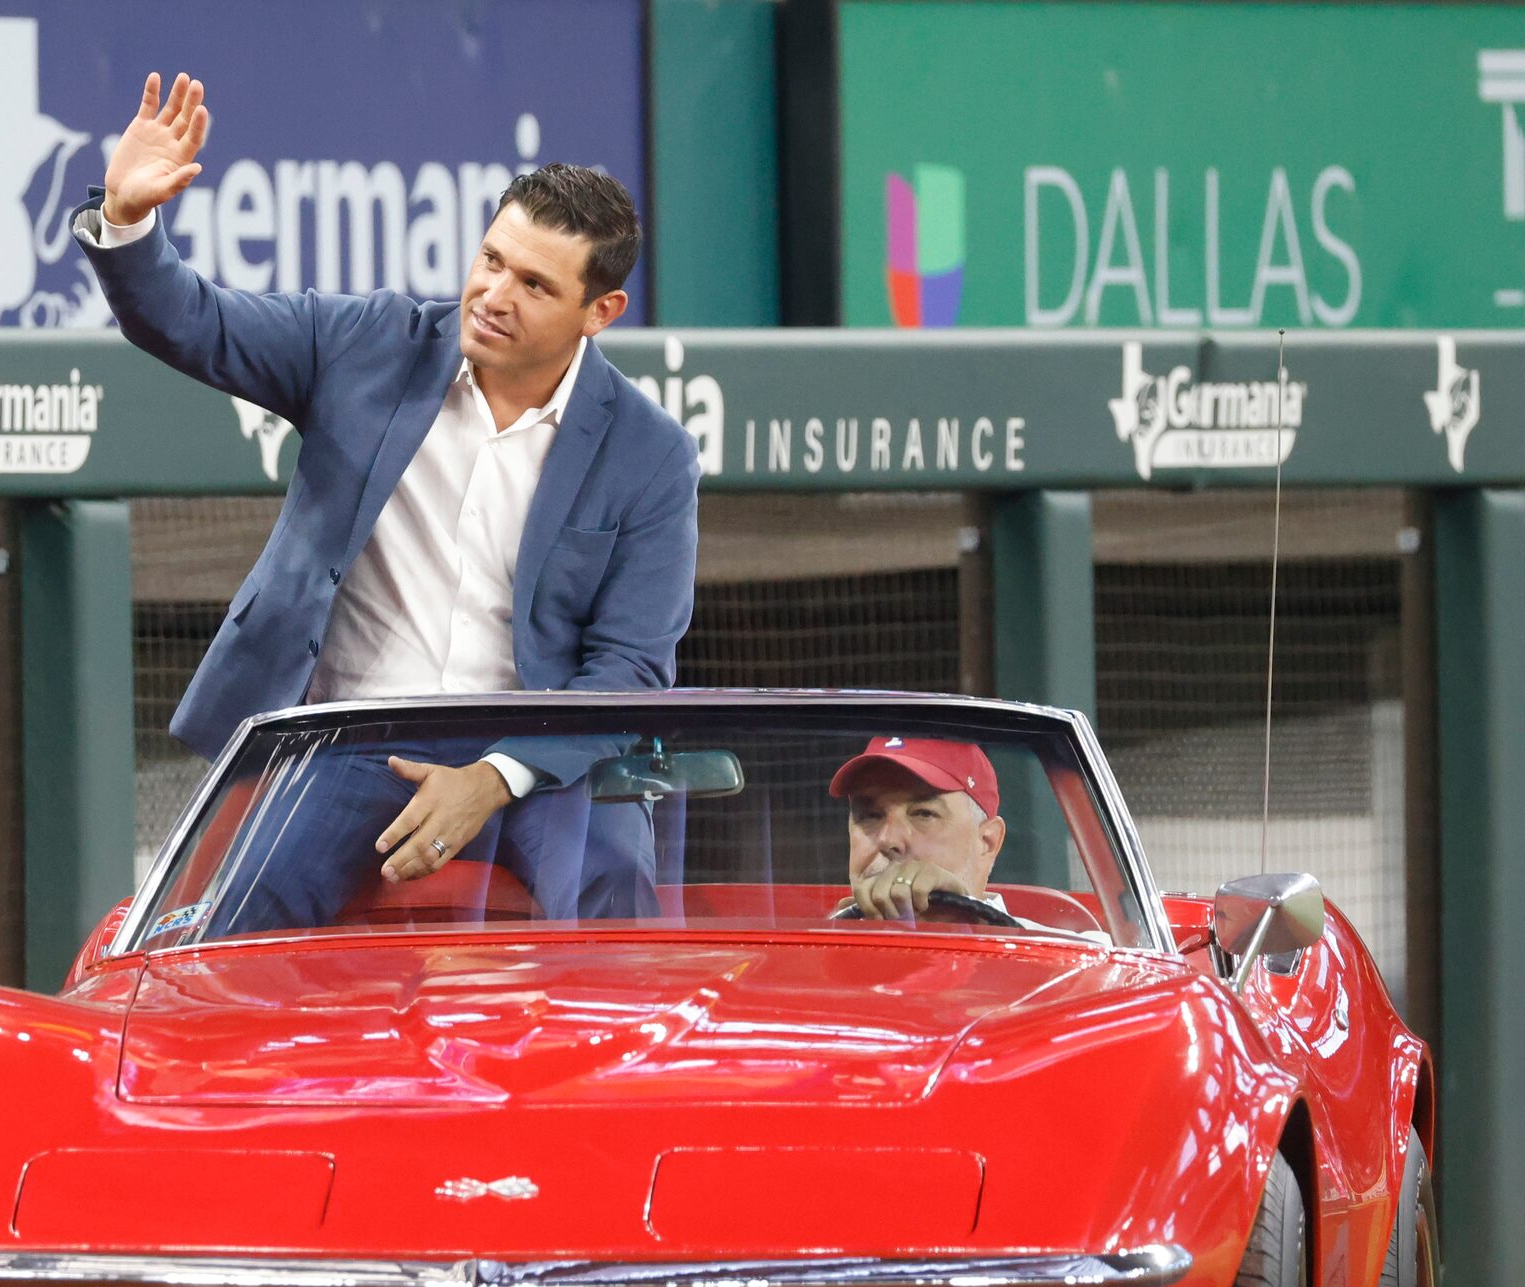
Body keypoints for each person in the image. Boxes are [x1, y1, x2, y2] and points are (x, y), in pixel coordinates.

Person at [79, 73, 699, 915]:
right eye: (492, 261)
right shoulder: (367, 343)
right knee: (241, 918)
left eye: (536, 286)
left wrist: (493, 776)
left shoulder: (652, 454)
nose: (495, 297)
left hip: (541, 754)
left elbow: (628, 668)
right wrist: (128, 219)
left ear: (601, 310)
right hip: (350, 735)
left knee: (611, 884)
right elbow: (195, 322)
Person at [832, 736, 1025, 922]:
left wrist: (968, 926)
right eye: (870, 815)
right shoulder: (814, 944)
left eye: (923, 814)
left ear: (986, 842)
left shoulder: (1043, 947)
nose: (888, 839)